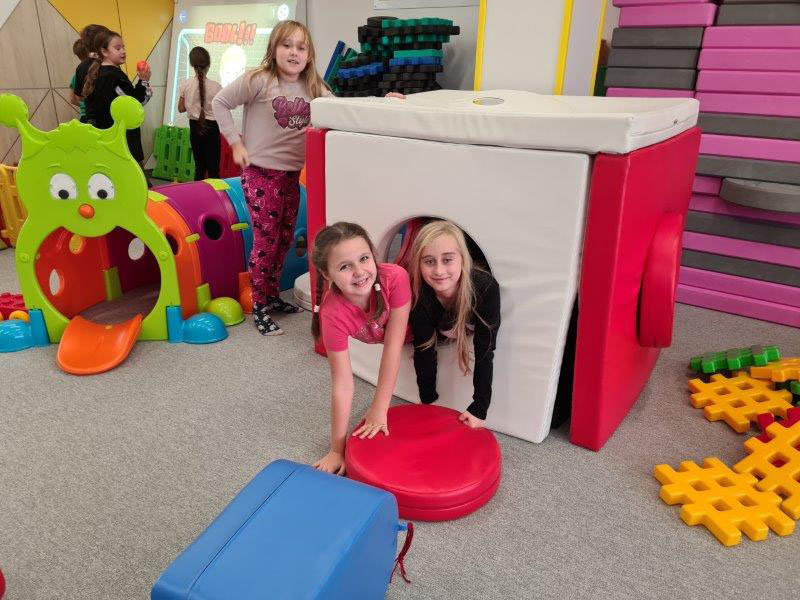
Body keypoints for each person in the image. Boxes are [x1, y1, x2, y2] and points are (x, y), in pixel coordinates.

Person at [213, 20, 331, 335]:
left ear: (309, 55)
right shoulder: (259, 80)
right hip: (260, 174)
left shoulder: (315, 88)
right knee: (266, 241)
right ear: (273, 49)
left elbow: (342, 110)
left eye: (301, 47)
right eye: (286, 45)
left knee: (283, 240)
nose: (293, 52)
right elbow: (220, 102)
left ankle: (271, 295)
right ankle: (259, 305)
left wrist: (382, 101)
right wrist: (236, 143)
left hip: (291, 177)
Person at [310, 222, 412, 475]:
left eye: (364, 258)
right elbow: (343, 384)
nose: (359, 272)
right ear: (327, 274)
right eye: (345, 266)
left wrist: (379, 407)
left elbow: (393, 348)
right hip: (393, 335)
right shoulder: (332, 314)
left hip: (428, 328)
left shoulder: (395, 277)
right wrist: (337, 449)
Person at [407, 220, 501, 428]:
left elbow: (485, 349)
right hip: (443, 326)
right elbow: (424, 348)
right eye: (429, 261)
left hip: (466, 318)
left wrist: (480, 408)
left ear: (463, 259)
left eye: (447, 259)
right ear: (419, 264)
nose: (439, 270)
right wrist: (427, 399)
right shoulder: (419, 296)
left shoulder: (484, 288)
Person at [82, 29, 152, 184]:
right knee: (137, 182)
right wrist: (144, 80)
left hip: (103, 137)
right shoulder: (114, 75)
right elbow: (135, 104)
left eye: (123, 47)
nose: (123, 51)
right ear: (104, 51)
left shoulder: (96, 73)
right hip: (122, 138)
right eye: (117, 48)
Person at [178, 46, 222, 181]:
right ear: (208, 65)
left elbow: (181, 108)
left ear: (192, 65)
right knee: (213, 169)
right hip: (212, 128)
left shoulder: (185, 85)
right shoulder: (216, 87)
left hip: (194, 127)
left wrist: (192, 105)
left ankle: (198, 192)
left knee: (199, 167)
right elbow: (222, 111)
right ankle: (216, 194)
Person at [70, 24, 109, 123]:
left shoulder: (77, 73)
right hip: (104, 116)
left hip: (87, 116)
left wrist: (85, 106)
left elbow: (73, 99)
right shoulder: (105, 67)